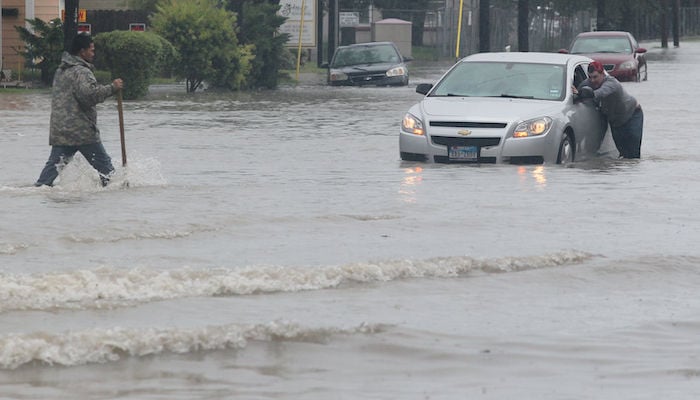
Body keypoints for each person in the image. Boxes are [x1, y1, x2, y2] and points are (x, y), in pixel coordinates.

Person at [34, 33, 124, 187]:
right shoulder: (81, 72)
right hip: (82, 132)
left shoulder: (61, 71)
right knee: (107, 173)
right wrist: (112, 88)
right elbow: (89, 96)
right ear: (82, 51)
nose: (93, 53)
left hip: (62, 130)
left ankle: (39, 191)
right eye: (91, 50)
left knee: (49, 175)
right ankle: (117, 195)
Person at [574, 60, 643, 159]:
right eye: (590, 77)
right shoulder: (588, 83)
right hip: (616, 121)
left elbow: (599, 93)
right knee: (623, 154)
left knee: (633, 155)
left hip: (632, 115)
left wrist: (581, 93)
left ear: (603, 74)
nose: (592, 80)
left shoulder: (611, 83)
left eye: (595, 77)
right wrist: (576, 93)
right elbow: (578, 92)